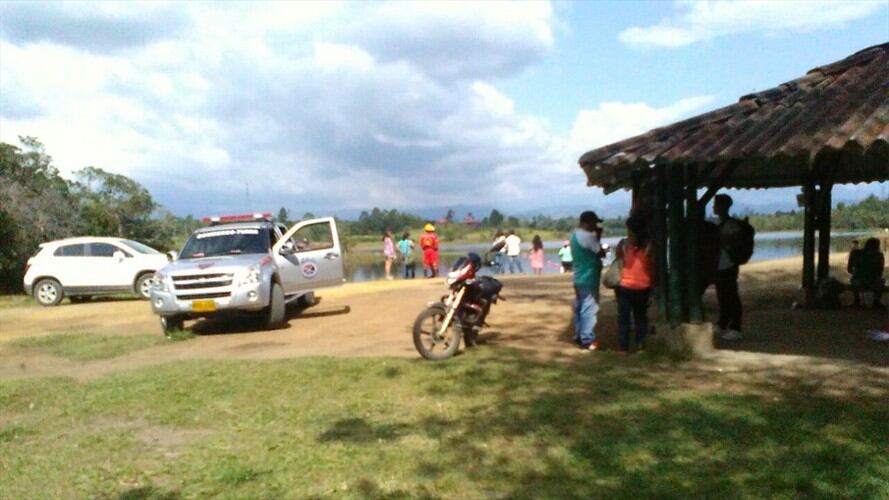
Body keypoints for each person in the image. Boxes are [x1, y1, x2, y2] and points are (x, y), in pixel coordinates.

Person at [615, 214, 654, 354]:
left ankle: (623, 347)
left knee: (623, 317)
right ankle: (640, 344)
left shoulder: (624, 244)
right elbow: (651, 265)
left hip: (625, 284)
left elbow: (619, 258)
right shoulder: (649, 245)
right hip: (643, 285)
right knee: (640, 317)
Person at [571, 211, 606, 351]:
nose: (595, 225)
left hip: (579, 277)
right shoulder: (588, 237)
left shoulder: (575, 235)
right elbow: (600, 253)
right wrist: (598, 236)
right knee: (589, 309)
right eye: (594, 223)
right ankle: (587, 339)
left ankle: (579, 335)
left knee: (580, 308)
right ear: (588, 222)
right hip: (589, 277)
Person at [713, 194, 744, 340]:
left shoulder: (731, 225)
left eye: (716, 204)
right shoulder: (722, 223)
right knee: (722, 295)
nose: (713, 207)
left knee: (731, 295)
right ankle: (723, 323)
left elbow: (734, 242)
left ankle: (736, 327)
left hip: (729, 264)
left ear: (723, 206)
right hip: (720, 264)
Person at [850, 238, 885, 308]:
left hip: (858, 280)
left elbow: (849, 269)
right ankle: (876, 301)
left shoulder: (855, 253)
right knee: (881, 280)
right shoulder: (879, 255)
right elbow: (880, 272)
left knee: (854, 279)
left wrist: (858, 272)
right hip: (873, 281)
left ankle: (857, 301)